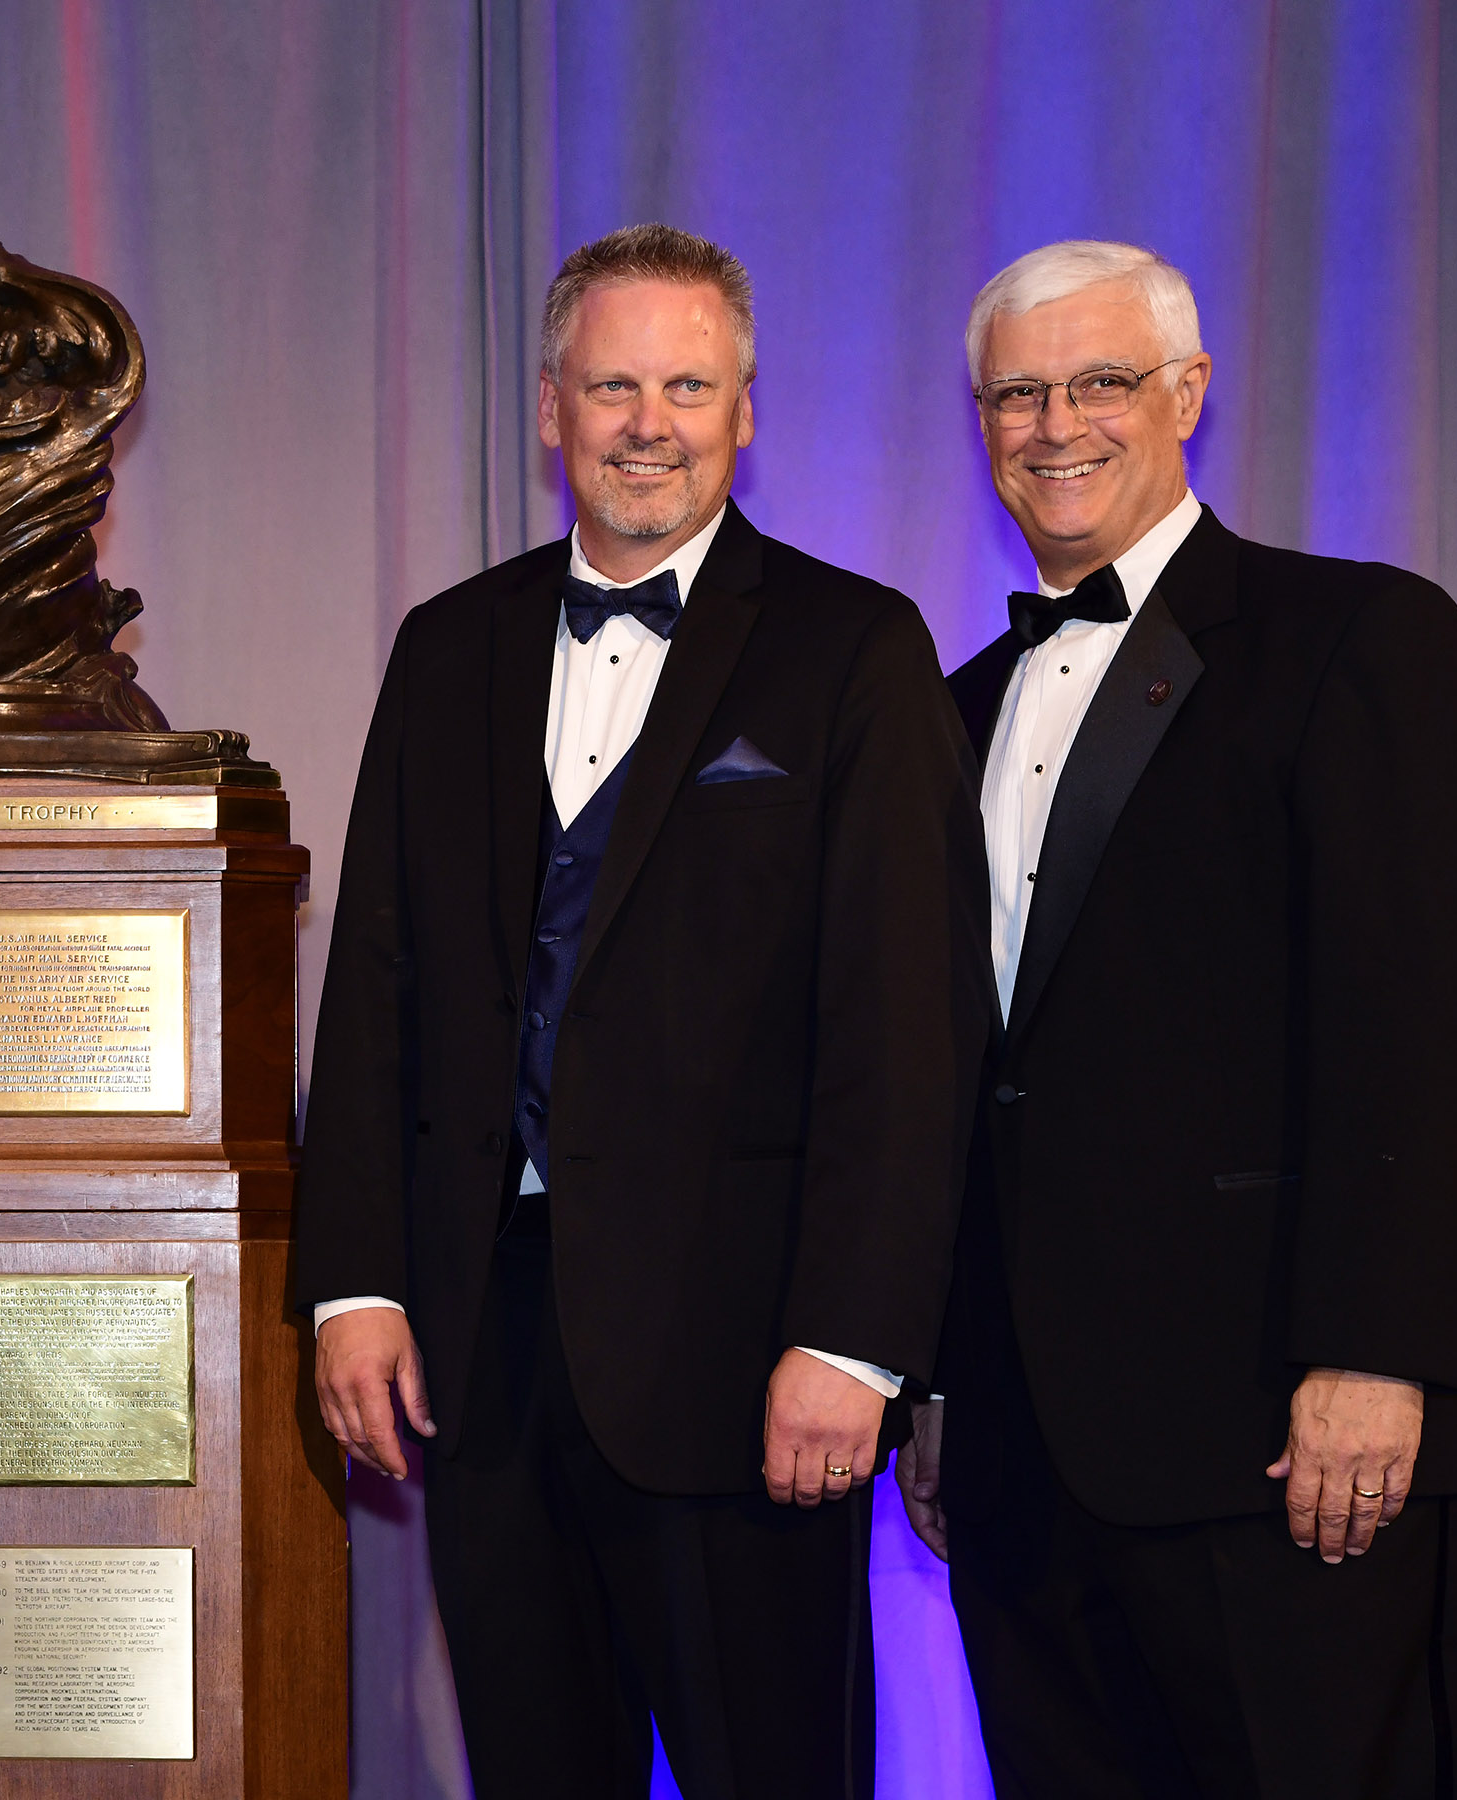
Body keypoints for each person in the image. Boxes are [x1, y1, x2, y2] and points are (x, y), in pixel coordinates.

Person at [297, 223, 985, 1798]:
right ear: (553, 408)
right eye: (613, 384)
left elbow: (906, 1028)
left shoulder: (855, 647)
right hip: (480, 1347)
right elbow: (379, 980)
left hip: (752, 1360)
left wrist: (855, 1344)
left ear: (746, 410)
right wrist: (353, 1288)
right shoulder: (447, 644)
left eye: (688, 383)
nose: (647, 422)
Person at [902, 239, 1457, 1799]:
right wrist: (943, 1386)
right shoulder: (953, 708)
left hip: (1282, 1438)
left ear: (1189, 392)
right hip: (1029, 1461)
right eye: (1017, 393)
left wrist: (1375, 1357)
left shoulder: (1358, 639)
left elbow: (1422, 1022)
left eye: (1100, 380)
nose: (1057, 424)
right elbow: (960, 1081)